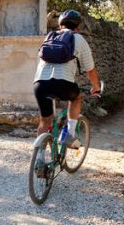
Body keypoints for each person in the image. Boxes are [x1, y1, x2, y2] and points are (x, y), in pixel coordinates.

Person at [33, 9, 101, 147]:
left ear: (60, 25)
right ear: (78, 27)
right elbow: (90, 69)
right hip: (63, 83)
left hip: (40, 84)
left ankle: (39, 159)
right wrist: (96, 87)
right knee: (76, 97)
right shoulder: (78, 38)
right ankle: (70, 134)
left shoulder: (49, 37)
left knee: (45, 121)